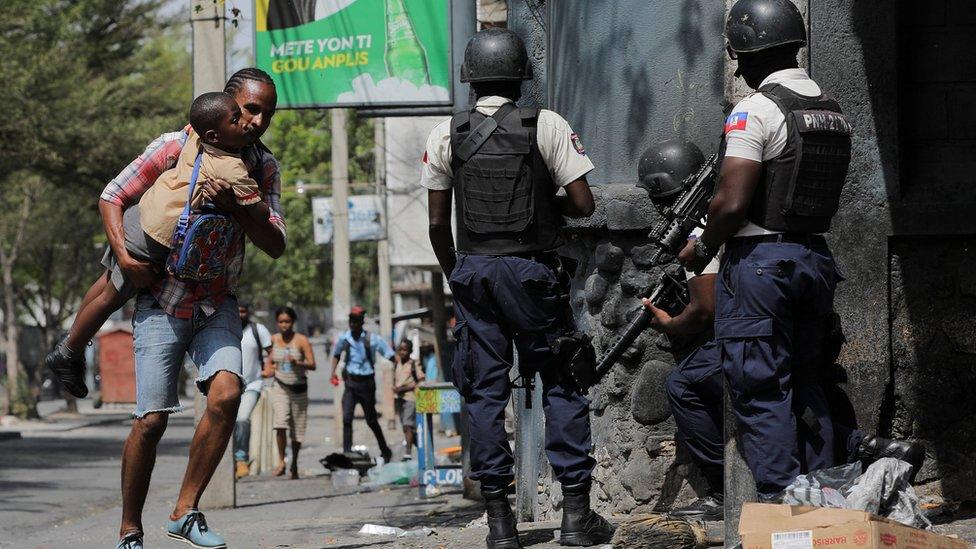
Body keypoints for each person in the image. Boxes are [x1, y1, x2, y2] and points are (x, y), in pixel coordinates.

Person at [678, 0, 923, 501]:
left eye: (738, 54)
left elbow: (731, 202)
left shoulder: (755, 109)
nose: (739, 66)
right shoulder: (829, 109)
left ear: (748, 51)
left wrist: (701, 245)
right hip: (813, 259)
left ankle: (782, 510)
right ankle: (824, 504)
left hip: (762, 267)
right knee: (810, 384)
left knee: (762, 390)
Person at [422, 27, 614, 549]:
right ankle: (576, 517)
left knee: (484, 393)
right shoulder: (546, 124)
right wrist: (546, 205)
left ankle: (500, 525)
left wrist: (455, 274)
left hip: (474, 274)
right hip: (532, 274)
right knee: (561, 381)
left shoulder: (446, 133)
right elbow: (584, 203)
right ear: (521, 75)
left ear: (470, 78)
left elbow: (439, 225)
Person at [91, 67, 284, 549]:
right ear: (226, 106)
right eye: (249, 110)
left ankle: (184, 511)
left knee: (225, 394)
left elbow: (276, 242)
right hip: (163, 301)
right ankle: (130, 528)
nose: (258, 121)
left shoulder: (262, 167)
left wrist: (238, 207)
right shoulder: (177, 145)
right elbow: (114, 195)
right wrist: (124, 257)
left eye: (267, 113)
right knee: (152, 420)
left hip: (217, 301)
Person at [45, 91, 267, 399]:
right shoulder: (229, 164)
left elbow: (197, 124)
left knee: (106, 285)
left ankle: (71, 346)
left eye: (262, 115)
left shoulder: (195, 138)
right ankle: (67, 352)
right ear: (216, 131)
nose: (249, 123)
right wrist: (251, 207)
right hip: (153, 239)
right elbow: (260, 210)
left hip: (140, 218)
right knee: (111, 295)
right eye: (240, 116)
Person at [637, 140, 725, 521]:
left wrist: (671, 322)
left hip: (740, 336)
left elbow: (705, 310)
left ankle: (723, 487)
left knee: (682, 384)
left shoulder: (698, 231)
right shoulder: (729, 210)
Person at [329, 307, 396, 463]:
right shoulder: (344, 339)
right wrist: (332, 373)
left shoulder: (373, 339)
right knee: (346, 417)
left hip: (367, 383)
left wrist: (403, 368)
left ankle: (385, 450)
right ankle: (347, 452)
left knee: (371, 420)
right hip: (351, 384)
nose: (353, 324)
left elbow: (391, 355)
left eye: (356, 321)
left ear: (362, 322)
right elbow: (337, 355)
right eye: (351, 321)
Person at [262, 306, 315, 479]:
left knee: (297, 430)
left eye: (287, 321)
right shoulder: (273, 340)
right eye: (281, 322)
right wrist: (267, 370)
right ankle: (281, 461)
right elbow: (269, 362)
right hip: (280, 387)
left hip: (299, 388)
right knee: (280, 423)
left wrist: (298, 363)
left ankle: (294, 463)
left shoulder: (301, 340)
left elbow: (312, 364)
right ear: (277, 323)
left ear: (293, 322)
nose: (284, 325)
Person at [234, 303, 273, 479]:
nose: (240, 315)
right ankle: (231, 462)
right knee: (228, 424)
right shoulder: (226, 328)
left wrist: (269, 367)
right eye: (237, 311)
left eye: (243, 312)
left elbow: (272, 351)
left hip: (252, 384)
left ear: (248, 313)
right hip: (230, 386)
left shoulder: (258, 330)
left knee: (242, 419)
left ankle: (241, 458)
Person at [392, 339, 425, 459]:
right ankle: (421, 449)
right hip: (399, 399)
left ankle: (408, 453)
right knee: (405, 426)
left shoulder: (413, 364)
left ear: (410, 351)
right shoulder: (397, 364)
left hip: (410, 398)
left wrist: (403, 388)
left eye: (405, 350)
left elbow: (419, 381)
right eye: (400, 350)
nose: (402, 352)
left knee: (408, 425)